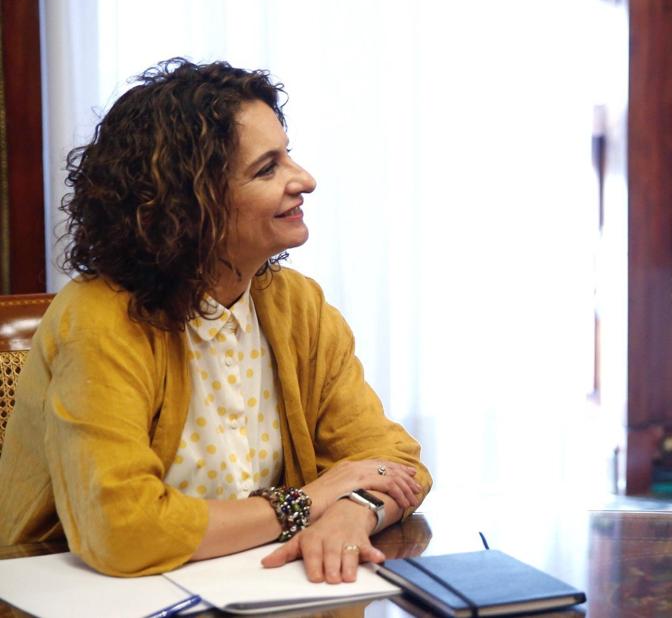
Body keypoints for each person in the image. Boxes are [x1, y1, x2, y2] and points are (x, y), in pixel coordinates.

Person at [0, 59, 432, 582]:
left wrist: (349, 511)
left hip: (258, 588)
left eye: (287, 154)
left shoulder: (298, 306)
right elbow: (122, 530)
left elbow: (393, 459)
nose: (305, 180)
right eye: (267, 168)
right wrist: (307, 501)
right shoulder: (100, 317)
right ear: (190, 203)